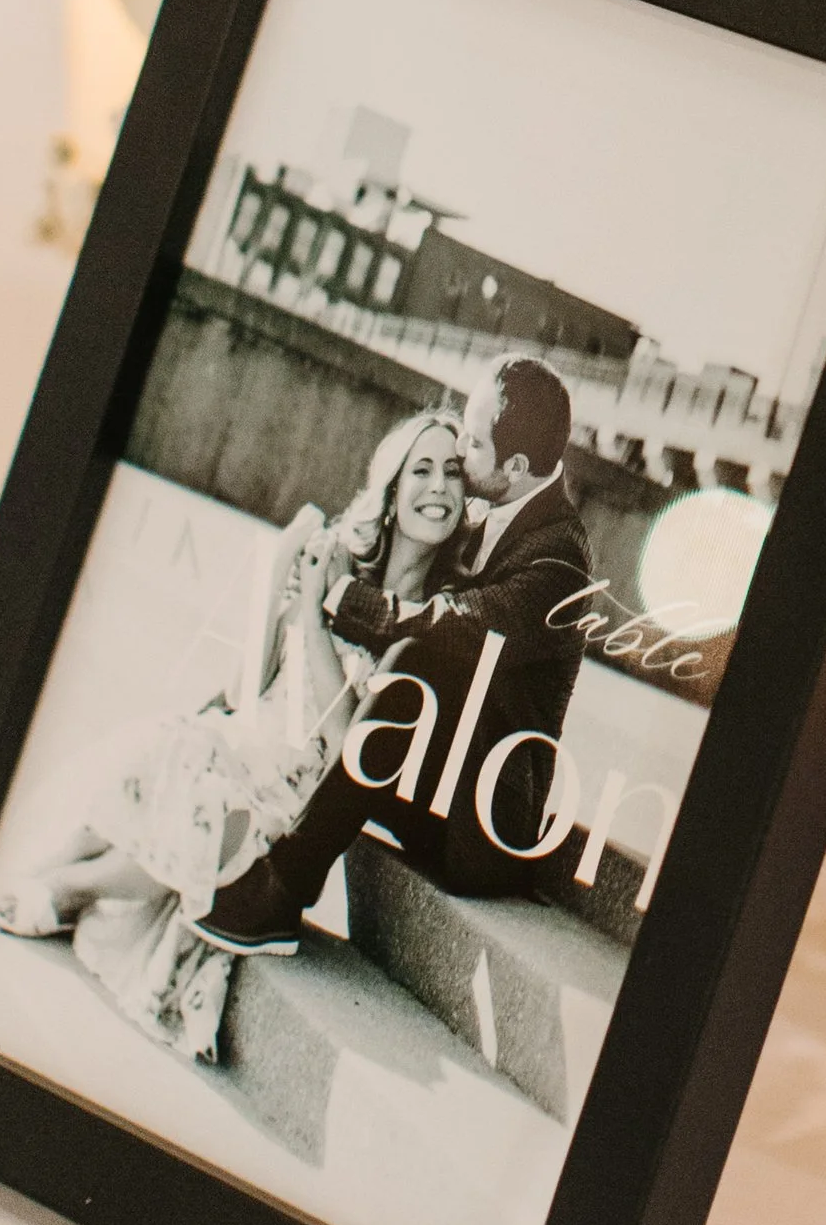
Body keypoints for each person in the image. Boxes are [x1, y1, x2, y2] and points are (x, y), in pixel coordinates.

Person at [0, 404, 471, 1058]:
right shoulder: (338, 560)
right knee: (180, 738)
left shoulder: (432, 621)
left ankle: (70, 888)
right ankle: (58, 872)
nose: (439, 486)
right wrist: (285, 577)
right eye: (422, 469)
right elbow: (257, 680)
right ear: (390, 489)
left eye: (452, 473)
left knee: (204, 786)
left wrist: (310, 615)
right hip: (247, 739)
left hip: (292, 788)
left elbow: (343, 742)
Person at [194, 353, 595, 956]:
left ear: (514, 467)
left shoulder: (560, 560)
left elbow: (457, 625)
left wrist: (343, 596)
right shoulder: (497, 505)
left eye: (473, 443)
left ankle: (285, 888)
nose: (459, 447)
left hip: (484, 827)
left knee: (422, 658)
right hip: (427, 774)